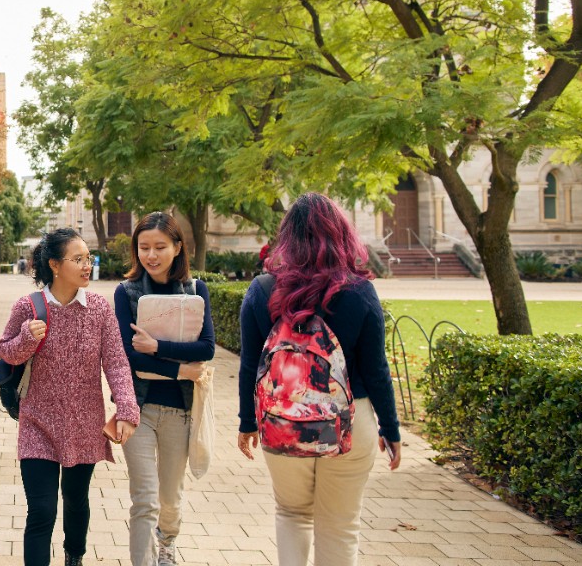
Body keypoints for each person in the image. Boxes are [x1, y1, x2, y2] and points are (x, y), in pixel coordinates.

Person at [236, 193, 402, 566]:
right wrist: (390, 429)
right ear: (341, 235)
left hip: (282, 419)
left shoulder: (262, 290)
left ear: (286, 238)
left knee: (292, 514)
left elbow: (249, 367)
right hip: (351, 420)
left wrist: (248, 422)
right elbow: (376, 369)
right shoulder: (360, 292)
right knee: (341, 525)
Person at [0, 228, 140, 566]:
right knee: (42, 510)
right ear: (55, 265)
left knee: (76, 501)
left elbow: (117, 362)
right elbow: (6, 354)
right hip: (37, 424)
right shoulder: (28, 307)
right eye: (78, 259)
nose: (87, 265)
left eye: (88, 259)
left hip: (84, 425)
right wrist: (26, 340)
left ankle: (73, 556)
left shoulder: (100, 309)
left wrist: (127, 410)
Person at [111, 212, 216, 566]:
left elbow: (207, 349)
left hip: (180, 411)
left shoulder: (196, 290)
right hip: (138, 409)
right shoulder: (126, 292)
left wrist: (158, 348)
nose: (151, 255)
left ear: (177, 247)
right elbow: (128, 358)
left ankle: (167, 542)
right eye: (143, 248)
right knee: (145, 499)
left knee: (170, 498)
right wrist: (180, 370)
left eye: (159, 247)